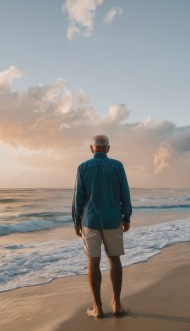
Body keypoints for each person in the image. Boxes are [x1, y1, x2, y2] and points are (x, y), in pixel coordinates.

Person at [72, 134, 132, 319]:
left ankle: (97, 308)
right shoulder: (117, 166)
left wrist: (76, 221)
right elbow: (125, 193)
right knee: (114, 260)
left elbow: (78, 198)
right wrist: (126, 217)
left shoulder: (83, 167)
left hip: (90, 221)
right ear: (107, 148)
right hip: (113, 219)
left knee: (93, 262)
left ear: (92, 148)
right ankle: (117, 304)